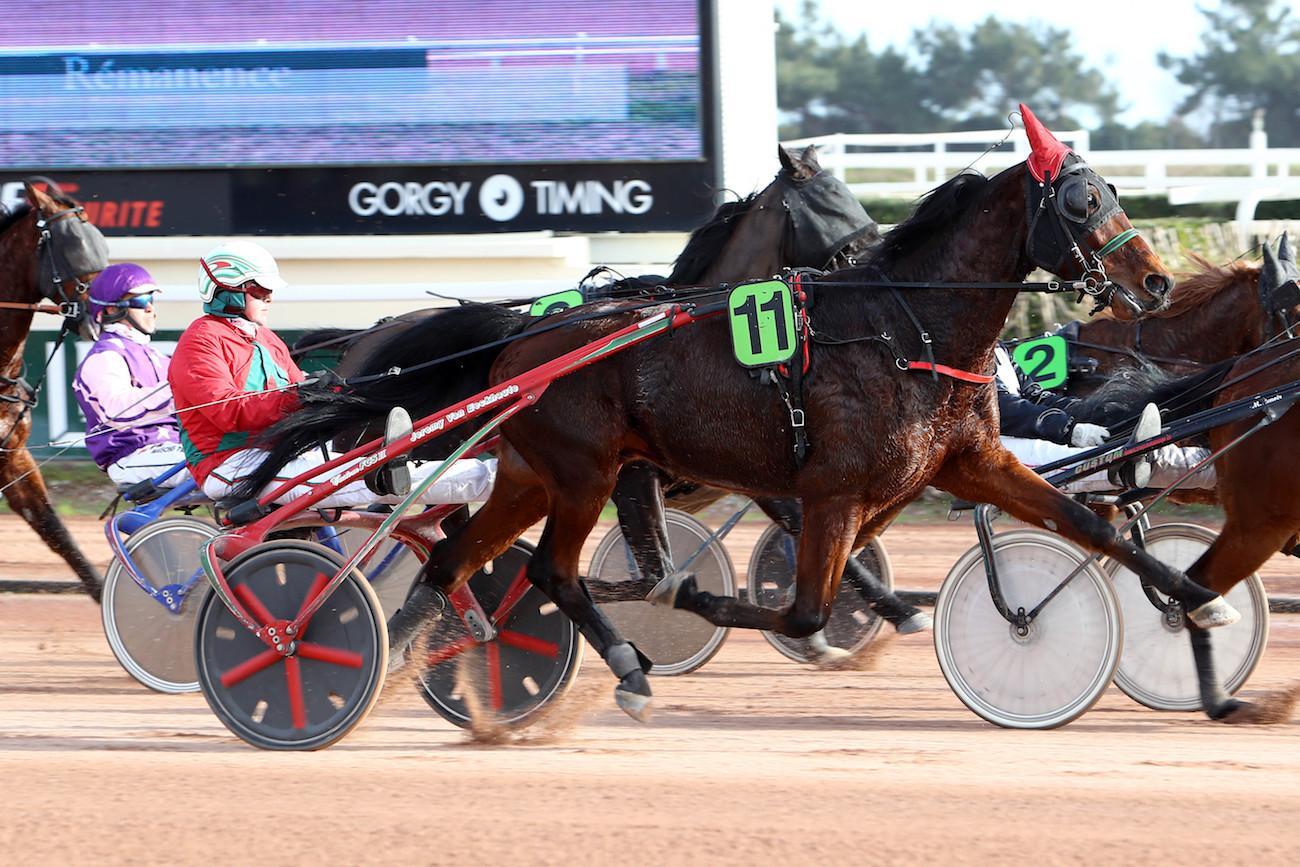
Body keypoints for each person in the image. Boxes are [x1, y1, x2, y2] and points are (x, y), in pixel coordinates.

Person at [167, 239, 494, 508]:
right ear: (226, 290)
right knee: (369, 478)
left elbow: (294, 394)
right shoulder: (200, 342)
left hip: (281, 453)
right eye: (258, 289)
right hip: (231, 465)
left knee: (369, 459)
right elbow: (227, 412)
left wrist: (339, 392)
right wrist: (299, 395)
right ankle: (494, 479)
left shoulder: (265, 338)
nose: (269, 297)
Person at [994, 342, 1215, 492]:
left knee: (1115, 443)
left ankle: (1208, 463)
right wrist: (1070, 429)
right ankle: (1210, 469)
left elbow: (1036, 397)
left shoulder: (997, 349)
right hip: (993, 453)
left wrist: (1092, 412)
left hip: (1016, 439)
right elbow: (1001, 408)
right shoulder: (966, 350)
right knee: (1111, 460)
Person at [72, 264, 190, 488]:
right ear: (110, 310)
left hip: (173, 449)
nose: (150, 309)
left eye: (151, 300)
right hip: (132, 455)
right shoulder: (104, 357)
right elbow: (116, 411)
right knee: (222, 467)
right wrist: (178, 390)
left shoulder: (157, 356)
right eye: (141, 301)